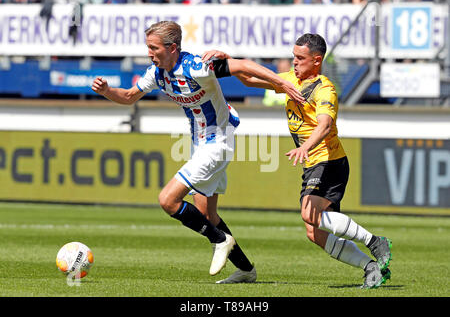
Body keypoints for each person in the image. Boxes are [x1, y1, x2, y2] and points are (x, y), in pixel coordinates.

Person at [91, 21, 303, 284]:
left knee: (168, 200)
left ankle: (220, 240)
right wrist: (107, 91)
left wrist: (283, 84)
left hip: (218, 142)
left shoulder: (196, 66)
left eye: (153, 48)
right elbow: (129, 96)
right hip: (201, 143)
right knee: (206, 215)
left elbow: (243, 65)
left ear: (172, 48)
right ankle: (246, 270)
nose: (149, 53)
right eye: (148, 47)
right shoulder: (157, 73)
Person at [202, 34, 393, 289]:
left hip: (329, 161)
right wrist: (232, 62)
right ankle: (370, 268)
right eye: (294, 56)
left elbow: (325, 125)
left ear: (316, 61)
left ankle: (375, 242)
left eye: (300, 58)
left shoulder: (325, 88)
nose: (294, 62)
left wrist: (305, 146)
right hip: (314, 162)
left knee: (308, 213)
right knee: (314, 232)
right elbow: (249, 80)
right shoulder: (292, 80)